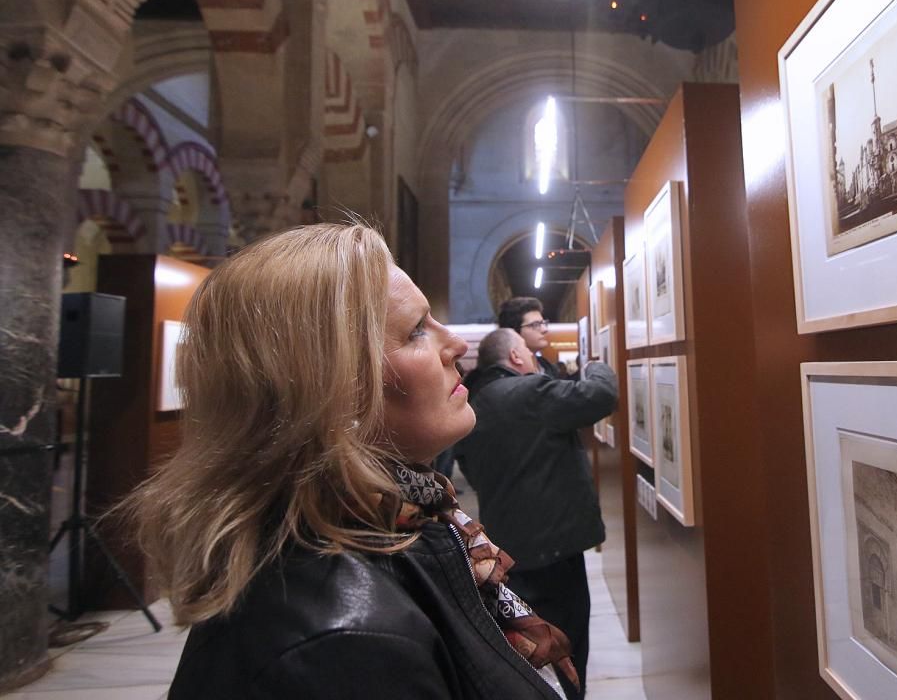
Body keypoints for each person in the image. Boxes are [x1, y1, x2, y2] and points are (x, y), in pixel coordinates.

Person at [124, 223, 576, 699]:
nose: (458, 345)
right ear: (334, 388)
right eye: (417, 330)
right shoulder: (339, 644)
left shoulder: (410, 523)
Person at [455, 328, 618, 699]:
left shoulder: (475, 402)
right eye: (528, 351)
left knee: (532, 649)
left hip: (511, 550)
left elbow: (470, 469)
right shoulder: (528, 392)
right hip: (555, 550)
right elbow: (600, 395)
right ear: (515, 356)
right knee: (568, 647)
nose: (533, 358)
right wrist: (595, 366)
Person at [497, 296, 558, 376]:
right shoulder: (505, 375)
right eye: (535, 325)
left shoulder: (549, 369)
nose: (544, 329)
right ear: (514, 331)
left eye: (544, 323)